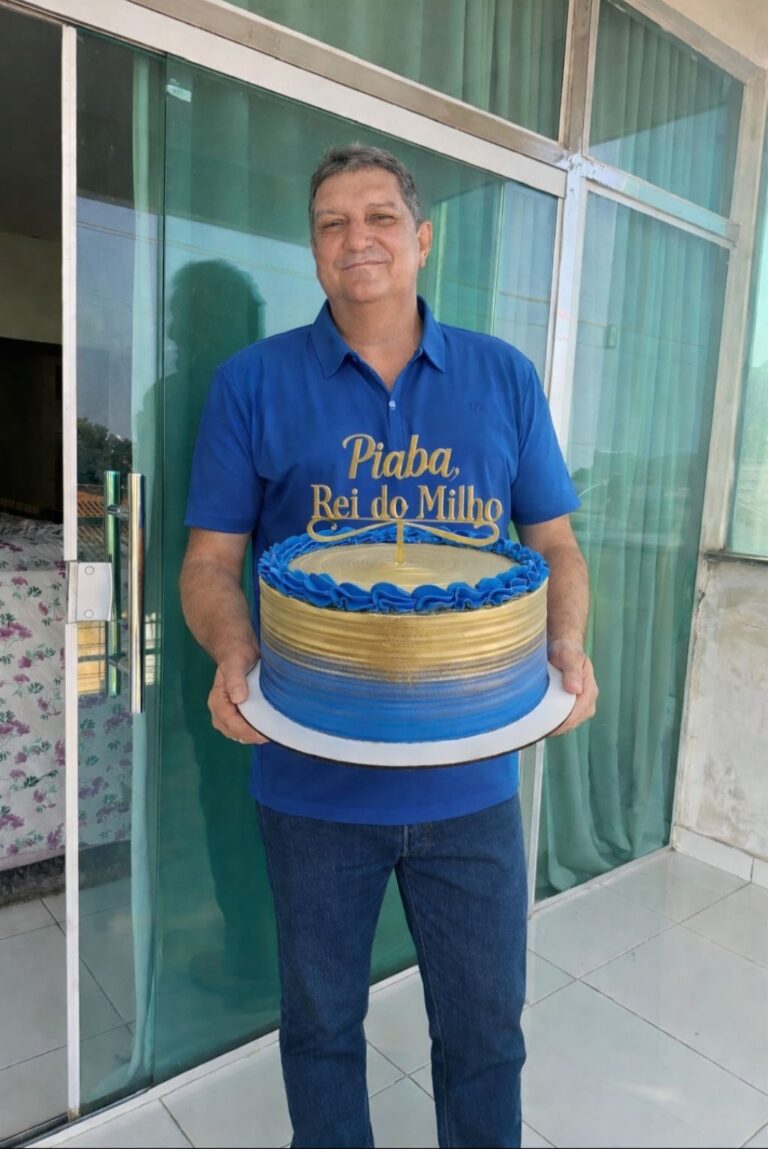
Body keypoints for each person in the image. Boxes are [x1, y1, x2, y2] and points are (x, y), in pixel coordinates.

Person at [180, 144, 598, 1149]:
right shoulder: (250, 384)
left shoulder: (501, 376)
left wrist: (569, 645)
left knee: (486, 1031)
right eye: (331, 222)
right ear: (314, 251)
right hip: (310, 784)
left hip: (472, 784)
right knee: (322, 1024)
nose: (354, 237)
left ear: (420, 238)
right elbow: (209, 565)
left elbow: (555, 544)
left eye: (377, 217)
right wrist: (233, 653)